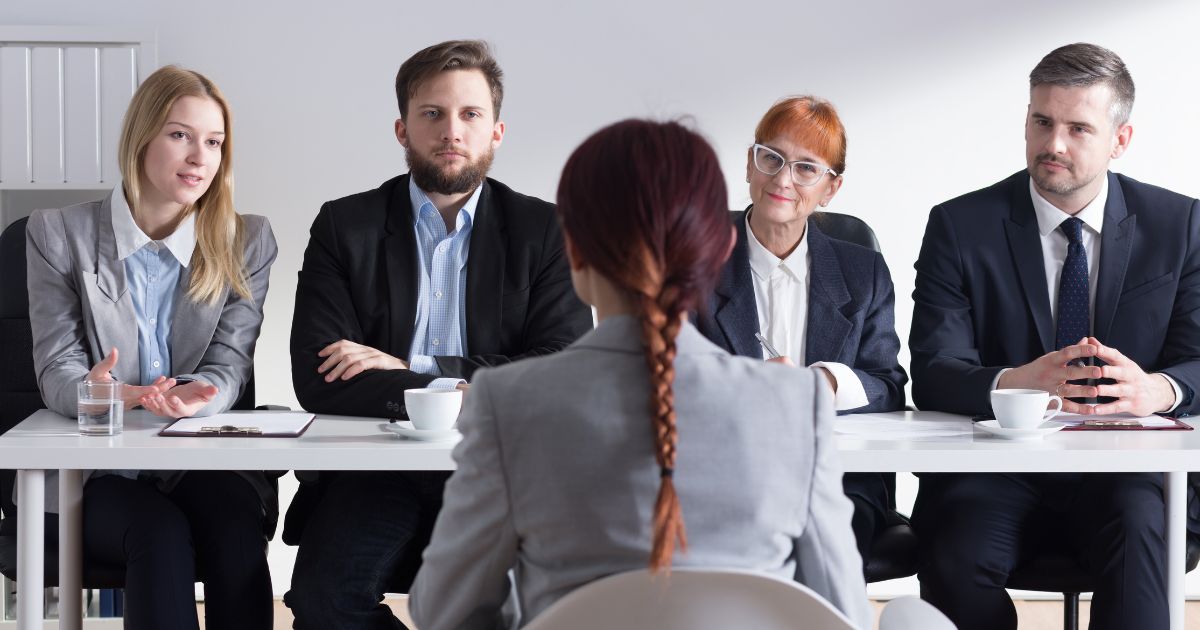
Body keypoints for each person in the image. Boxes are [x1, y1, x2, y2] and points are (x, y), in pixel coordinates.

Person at [409, 119, 872, 629]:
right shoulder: (796, 404)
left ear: (574, 253)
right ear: (719, 251)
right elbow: (842, 613)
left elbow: (444, 612)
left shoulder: (506, 402)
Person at [284, 39, 592, 629]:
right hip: (377, 467)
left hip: (498, 467)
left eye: (470, 115)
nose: (452, 131)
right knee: (325, 604)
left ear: (496, 131)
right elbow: (318, 378)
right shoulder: (344, 225)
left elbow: (561, 367)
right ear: (402, 129)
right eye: (433, 114)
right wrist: (476, 382)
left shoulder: (545, 230)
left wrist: (410, 366)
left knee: (529, 610)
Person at [909, 42, 1200, 630]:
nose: (1054, 144)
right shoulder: (958, 226)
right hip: (994, 469)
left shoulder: (1182, 225)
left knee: (1145, 533)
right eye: (1042, 122)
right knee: (955, 551)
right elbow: (934, 369)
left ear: (1120, 140)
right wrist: (1016, 383)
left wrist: (1159, 391)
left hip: (1128, 471)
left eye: (1078, 128)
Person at [25, 65, 277, 630]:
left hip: (197, 461)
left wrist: (199, 398)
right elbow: (57, 367)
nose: (200, 157)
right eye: (180, 135)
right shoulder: (56, 234)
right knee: (159, 533)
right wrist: (105, 393)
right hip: (94, 470)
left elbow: (229, 366)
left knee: (236, 529)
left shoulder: (247, 240)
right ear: (141, 137)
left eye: (214, 142)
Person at [695, 95, 907, 568]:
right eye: (770, 158)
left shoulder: (862, 271)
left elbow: (889, 385)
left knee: (823, 543)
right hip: (725, 473)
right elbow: (664, 377)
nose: (782, 180)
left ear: (831, 188)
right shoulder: (694, 259)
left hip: (836, 477)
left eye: (806, 168)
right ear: (749, 165)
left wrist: (827, 383)